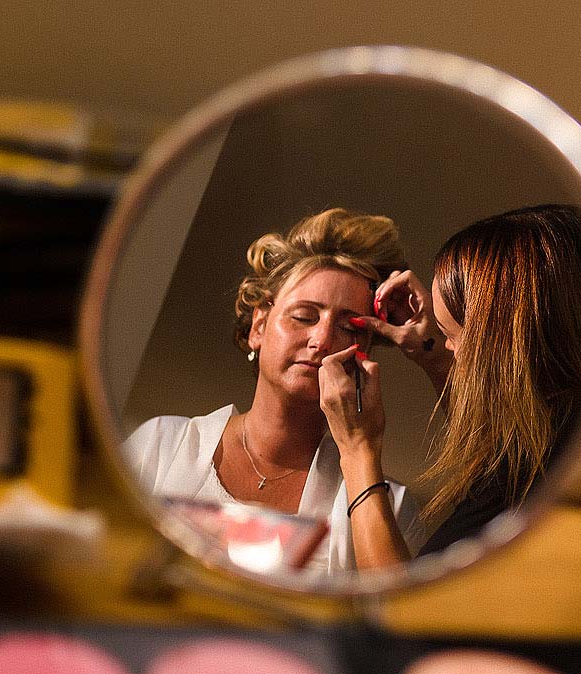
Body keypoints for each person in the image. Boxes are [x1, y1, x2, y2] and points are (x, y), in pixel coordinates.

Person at [123, 208, 422, 575]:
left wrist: (361, 452)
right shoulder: (161, 446)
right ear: (259, 326)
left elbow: (396, 616)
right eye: (304, 317)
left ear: (365, 351)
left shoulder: (387, 504)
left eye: (349, 327)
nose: (323, 339)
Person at [348, 204, 581, 557]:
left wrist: (357, 449)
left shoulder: (547, 464)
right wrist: (431, 353)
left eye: (452, 336)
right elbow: (498, 449)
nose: (449, 350)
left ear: (499, 341)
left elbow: (403, 608)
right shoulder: (571, 417)